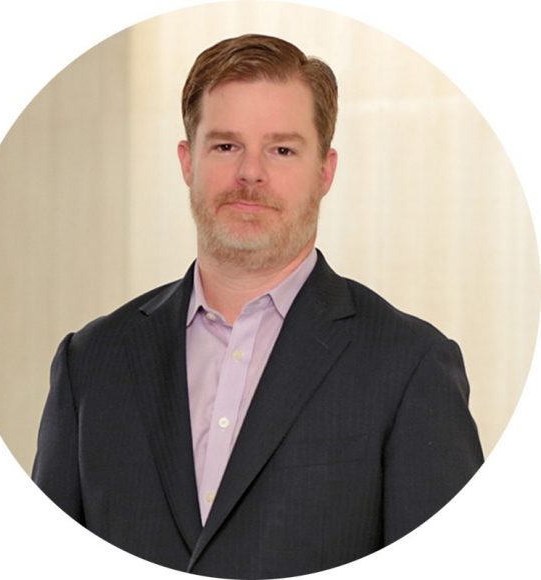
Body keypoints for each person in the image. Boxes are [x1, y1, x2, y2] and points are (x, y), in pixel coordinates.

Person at [32, 34, 484, 579]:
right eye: (226, 146)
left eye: (282, 149)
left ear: (325, 171)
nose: (250, 172)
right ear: (187, 162)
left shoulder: (410, 366)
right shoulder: (90, 363)